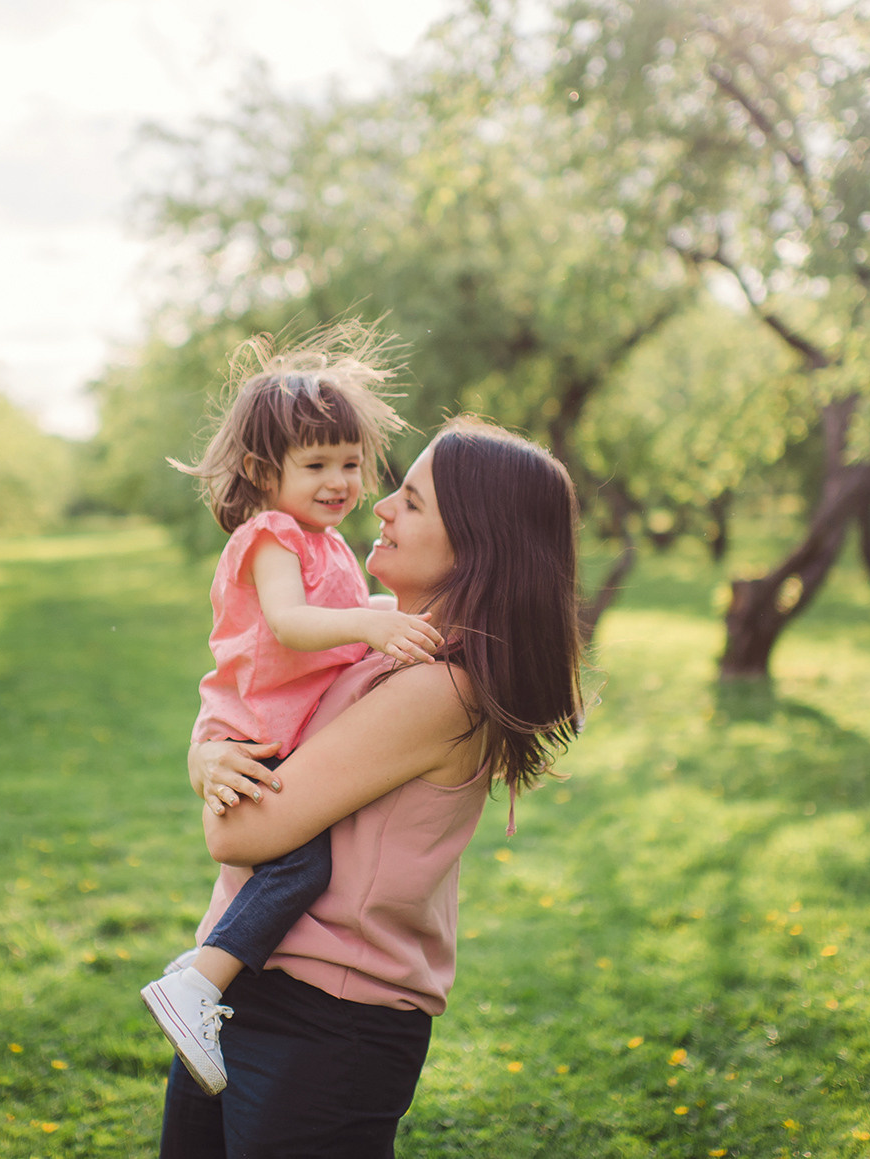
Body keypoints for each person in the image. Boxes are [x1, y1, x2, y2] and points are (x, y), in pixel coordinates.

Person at [158, 416, 585, 1158]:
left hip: (324, 1022)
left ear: (479, 543)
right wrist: (205, 755)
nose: (378, 505)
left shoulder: (440, 690)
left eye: (413, 502)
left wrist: (219, 769)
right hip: (243, 989)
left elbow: (238, 831)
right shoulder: (380, 638)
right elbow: (248, 693)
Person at [142, 335, 445, 1096]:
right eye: (316, 465)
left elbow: (342, 611)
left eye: (350, 461)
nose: (341, 481)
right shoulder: (273, 538)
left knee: (292, 859)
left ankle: (207, 976)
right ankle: (200, 980)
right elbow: (288, 624)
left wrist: (383, 614)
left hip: (276, 726)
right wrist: (374, 625)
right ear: (261, 471)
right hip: (256, 732)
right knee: (303, 861)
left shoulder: (330, 543)